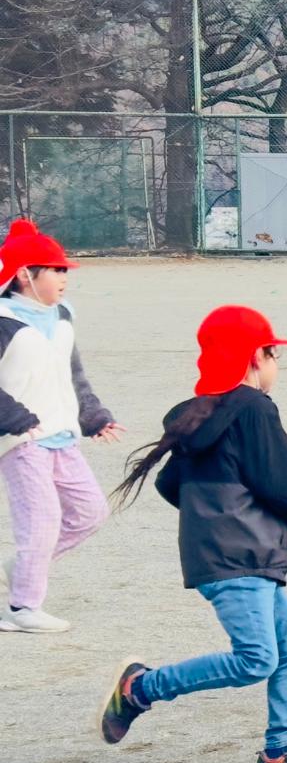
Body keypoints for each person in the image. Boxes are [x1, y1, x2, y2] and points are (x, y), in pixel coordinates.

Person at [98, 306, 287, 763]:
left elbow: (169, 485)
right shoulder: (253, 409)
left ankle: (279, 752)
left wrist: (215, 518)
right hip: (238, 555)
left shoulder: (201, 414)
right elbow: (283, 484)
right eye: (273, 353)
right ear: (256, 357)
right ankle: (140, 688)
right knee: (256, 658)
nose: (275, 364)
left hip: (236, 552)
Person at [0, 222, 120, 634]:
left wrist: (94, 416)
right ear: (24, 275)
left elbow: (72, 372)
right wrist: (12, 416)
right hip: (20, 440)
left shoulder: (63, 315)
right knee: (42, 519)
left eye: (65, 270)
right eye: (55, 270)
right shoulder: (3, 319)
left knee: (90, 512)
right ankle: (21, 608)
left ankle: (22, 568)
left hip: (62, 434)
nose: (64, 277)